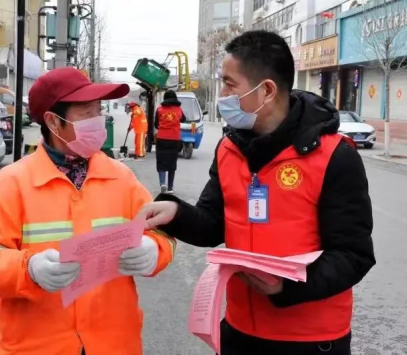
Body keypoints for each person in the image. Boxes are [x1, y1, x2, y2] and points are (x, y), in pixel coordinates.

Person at [141, 31, 376, 355]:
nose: (221, 94)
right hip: (240, 332)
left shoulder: (334, 157)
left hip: (310, 341)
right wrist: (176, 214)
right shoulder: (229, 149)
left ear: (266, 90)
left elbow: (354, 255)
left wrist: (287, 286)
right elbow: (213, 223)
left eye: (229, 84)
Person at [0, 67, 177, 355]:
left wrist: (154, 251)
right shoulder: (11, 184)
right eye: (87, 114)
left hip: (114, 343)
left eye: (99, 111)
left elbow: (163, 234)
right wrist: (29, 269)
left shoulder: (121, 178)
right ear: (53, 121)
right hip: (37, 346)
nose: (99, 121)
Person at [154, 90, 187, 194]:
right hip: (174, 139)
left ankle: (162, 183)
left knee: (161, 161)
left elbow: (156, 124)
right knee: (172, 163)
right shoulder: (179, 110)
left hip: (162, 139)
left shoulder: (159, 109)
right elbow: (183, 119)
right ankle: (170, 187)